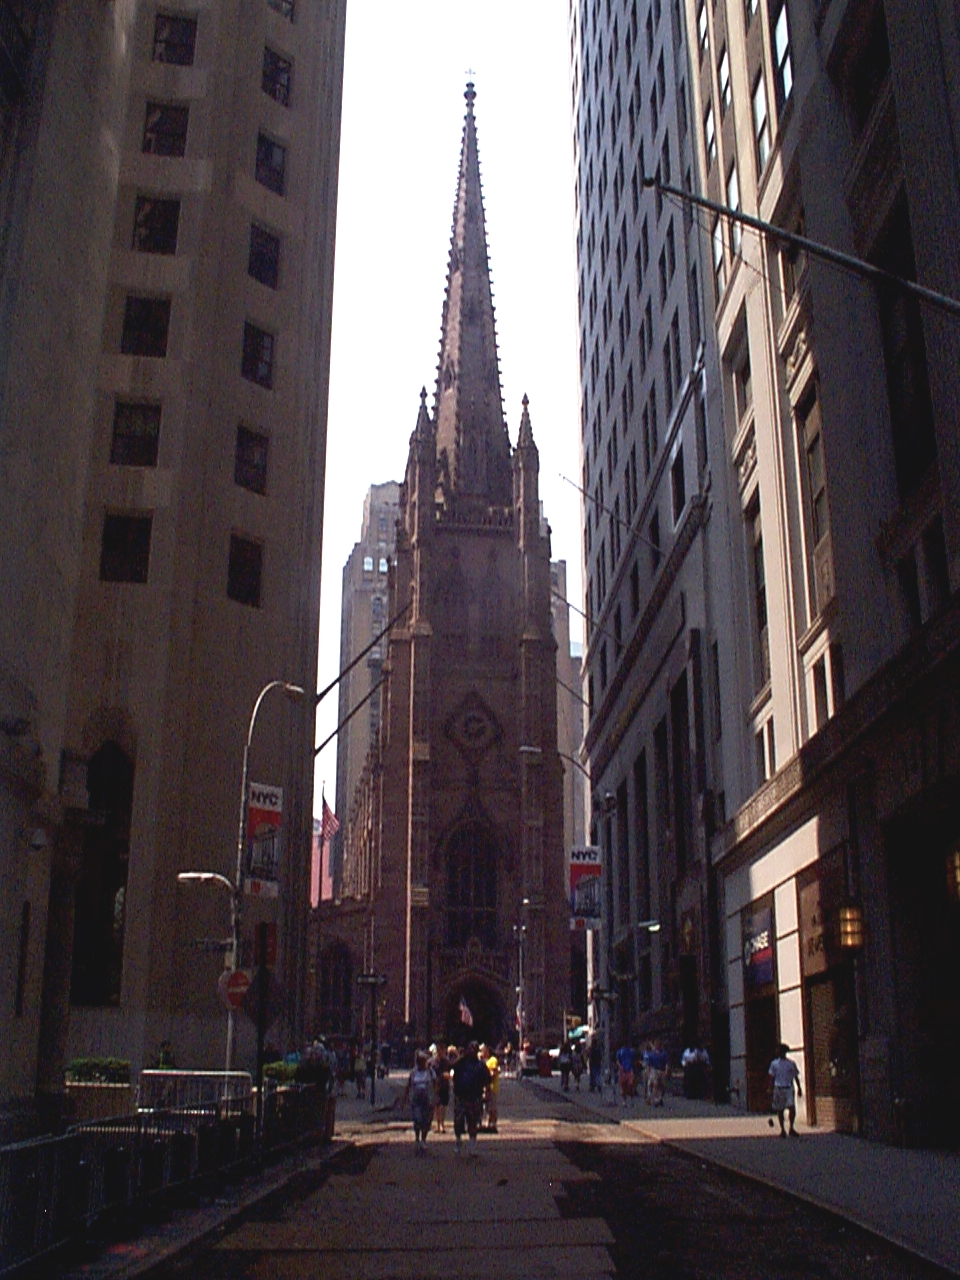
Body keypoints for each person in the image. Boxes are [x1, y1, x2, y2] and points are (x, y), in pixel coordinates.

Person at [452, 1041, 491, 1155]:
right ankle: (458, 1140)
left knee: (473, 1121)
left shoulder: (481, 1065)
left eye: (474, 1049)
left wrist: (487, 1095)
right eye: (470, 1048)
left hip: (475, 1097)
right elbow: (454, 1073)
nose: (472, 1051)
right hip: (461, 1096)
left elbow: (487, 1081)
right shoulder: (461, 1063)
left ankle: (472, 1145)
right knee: (458, 1121)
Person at [403, 1050, 435, 1154]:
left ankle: (423, 1140)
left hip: (427, 1099)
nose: (421, 1063)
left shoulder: (430, 1072)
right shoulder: (413, 1072)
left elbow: (436, 1084)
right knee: (417, 1120)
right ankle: (417, 1138)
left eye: (423, 1060)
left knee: (426, 1120)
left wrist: (435, 1096)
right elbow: (408, 1085)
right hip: (416, 1100)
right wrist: (405, 1098)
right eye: (419, 1061)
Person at [769, 1043, 802, 1137]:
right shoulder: (774, 1064)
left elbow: (795, 1076)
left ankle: (791, 1127)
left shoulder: (791, 1064)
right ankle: (782, 1129)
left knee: (792, 1108)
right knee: (780, 1109)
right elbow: (771, 1077)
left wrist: (799, 1087)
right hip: (778, 1088)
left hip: (788, 1088)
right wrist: (770, 1088)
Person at [432, 1046, 450, 1133]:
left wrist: (449, 1075)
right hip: (436, 1086)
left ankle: (442, 1124)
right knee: (437, 1106)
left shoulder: (446, 1061)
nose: (440, 1052)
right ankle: (438, 1124)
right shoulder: (432, 1062)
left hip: (445, 1085)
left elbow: (451, 1070)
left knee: (443, 1105)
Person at [483, 1044, 500, 1132]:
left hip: (492, 1087)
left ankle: (493, 1124)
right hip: (487, 1087)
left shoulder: (493, 1060)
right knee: (488, 1107)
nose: (482, 1053)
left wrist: (486, 1076)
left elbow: (493, 1073)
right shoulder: (486, 1061)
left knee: (492, 1107)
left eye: (483, 1051)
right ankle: (489, 1123)